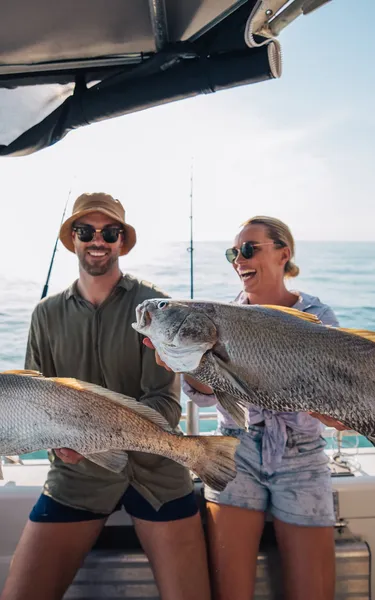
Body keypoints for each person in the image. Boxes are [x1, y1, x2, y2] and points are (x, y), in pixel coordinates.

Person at [0, 193, 211, 600]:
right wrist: (64, 445)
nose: (98, 240)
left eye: (109, 232)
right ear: (73, 240)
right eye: (86, 231)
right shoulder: (45, 314)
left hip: (158, 471)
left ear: (121, 241)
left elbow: (165, 402)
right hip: (77, 477)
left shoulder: (154, 310)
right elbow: (32, 398)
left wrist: (99, 438)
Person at [145, 216, 347, 600]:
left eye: (249, 249)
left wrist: (332, 412)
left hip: (302, 456)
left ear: (284, 253)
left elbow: (336, 404)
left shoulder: (319, 318)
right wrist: (189, 362)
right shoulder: (217, 319)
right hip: (236, 451)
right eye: (233, 253)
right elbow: (207, 396)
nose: (239, 259)